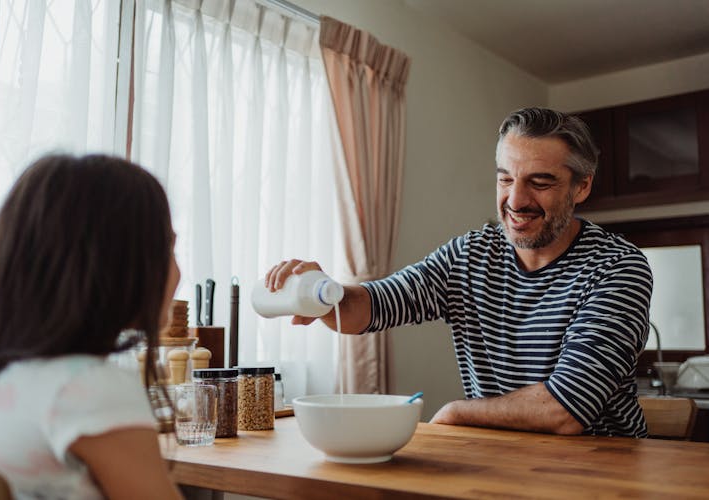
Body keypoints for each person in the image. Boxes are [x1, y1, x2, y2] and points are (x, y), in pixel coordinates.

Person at [265, 107, 653, 438]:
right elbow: (374, 305)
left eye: (540, 182)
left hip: (600, 476)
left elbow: (566, 409)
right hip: (496, 465)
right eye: (505, 178)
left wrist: (456, 412)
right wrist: (323, 294)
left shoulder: (618, 269)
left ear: (581, 186)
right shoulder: (469, 255)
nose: (516, 200)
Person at [0, 154, 184, 499]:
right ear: (119, 264)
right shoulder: (88, 387)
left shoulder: (3, 383)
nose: (178, 272)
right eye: (168, 248)